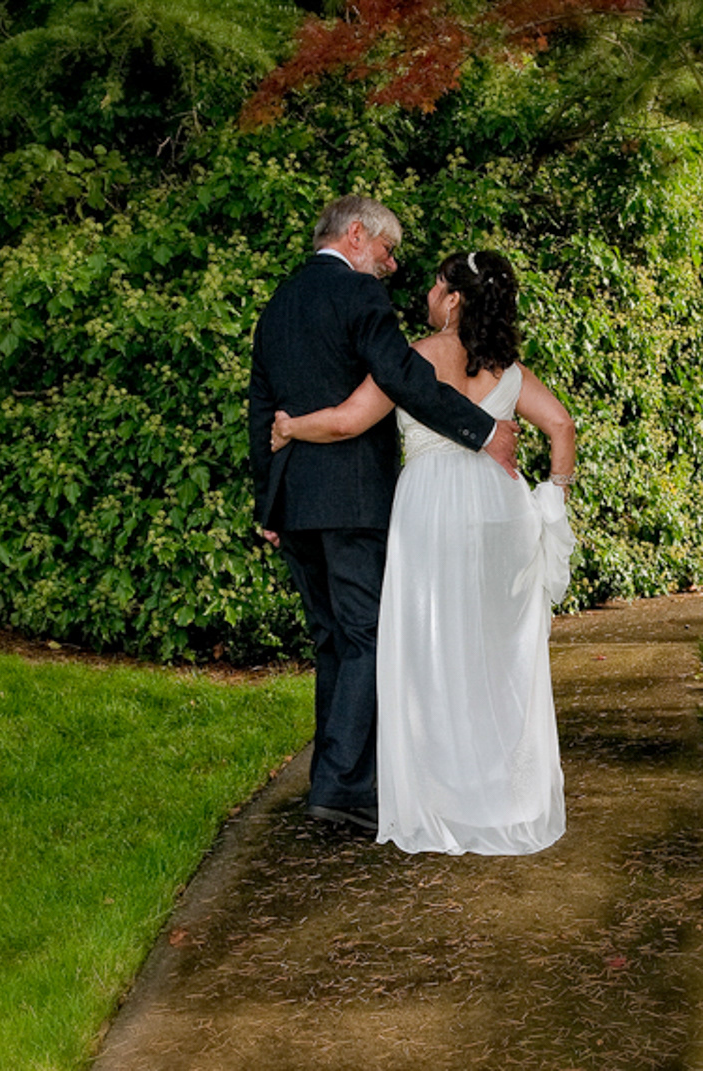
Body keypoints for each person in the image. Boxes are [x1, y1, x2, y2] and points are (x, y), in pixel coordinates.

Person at [271, 250, 577, 855]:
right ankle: (501, 792)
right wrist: (553, 498)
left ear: (455, 299)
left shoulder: (415, 355)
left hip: (432, 514)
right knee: (495, 658)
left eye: (439, 285)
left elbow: (349, 421)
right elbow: (562, 427)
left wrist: (289, 427)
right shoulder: (509, 368)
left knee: (430, 652)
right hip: (502, 515)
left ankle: (438, 793)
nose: (430, 293)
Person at [248, 197, 519, 834]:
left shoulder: (278, 303)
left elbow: (261, 411)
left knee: (332, 641)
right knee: (367, 636)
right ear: (358, 234)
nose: (392, 265)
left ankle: (333, 780)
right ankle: (342, 788)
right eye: (388, 251)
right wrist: (481, 430)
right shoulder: (359, 297)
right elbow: (401, 374)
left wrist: (269, 500)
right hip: (353, 500)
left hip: (294, 502)